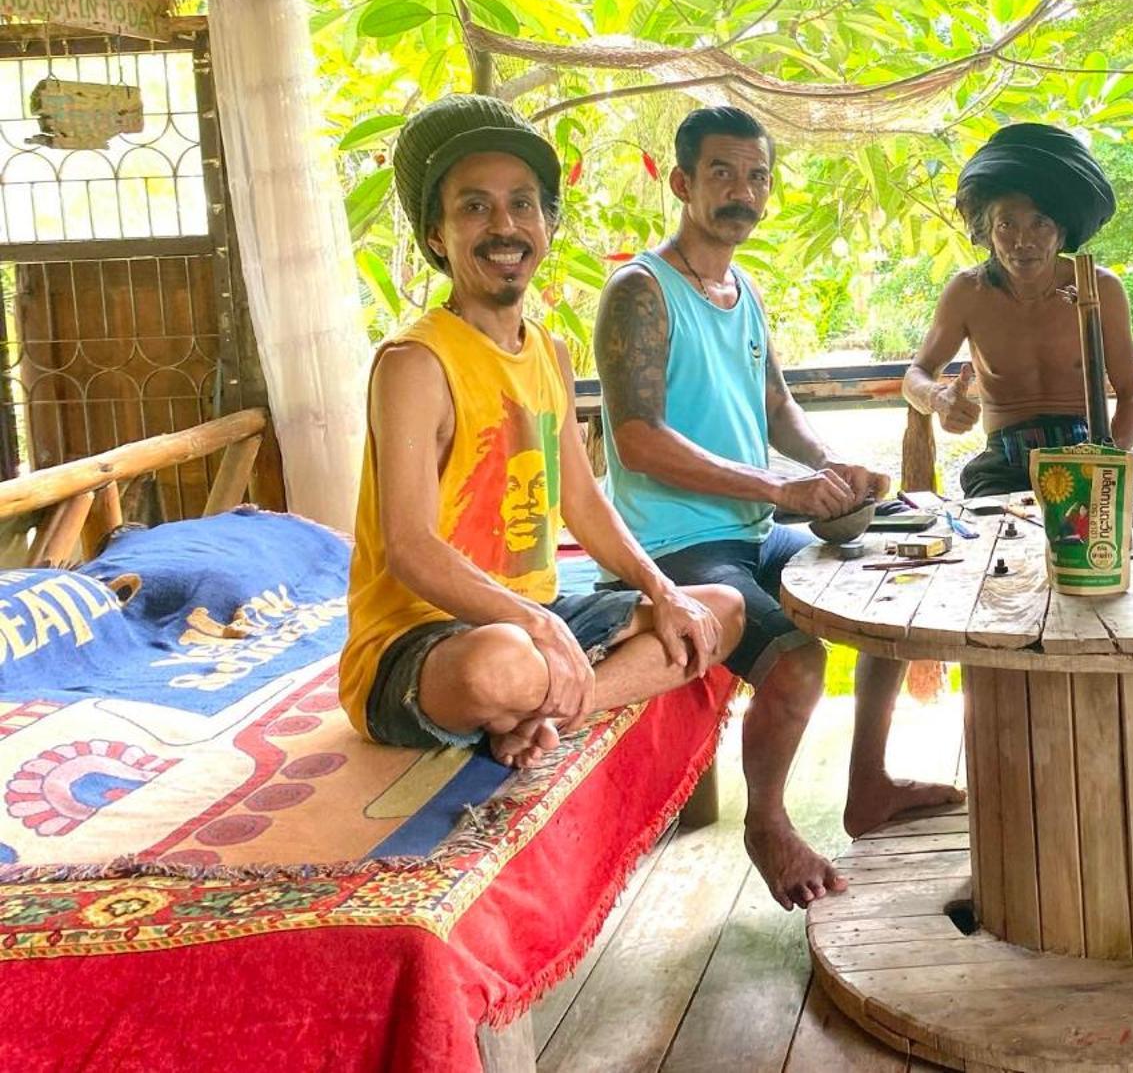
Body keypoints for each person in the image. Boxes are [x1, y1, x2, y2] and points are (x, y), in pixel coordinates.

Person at [596, 105, 961, 909]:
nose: (743, 192)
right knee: (797, 661)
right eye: (722, 174)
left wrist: (830, 465)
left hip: (750, 531)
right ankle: (768, 824)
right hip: (677, 548)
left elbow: (775, 408)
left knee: (891, 590)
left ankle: (868, 786)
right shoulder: (642, 292)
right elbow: (636, 439)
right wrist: (776, 488)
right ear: (683, 182)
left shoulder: (741, 288)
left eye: (757, 176)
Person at [339, 94, 744, 775]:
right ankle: (533, 697)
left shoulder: (550, 353)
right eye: (474, 207)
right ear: (437, 235)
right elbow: (408, 548)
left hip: (535, 617)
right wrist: (537, 626)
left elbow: (582, 505)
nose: (505, 226)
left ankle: (551, 714)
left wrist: (661, 591)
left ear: (546, 225)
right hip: (424, 640)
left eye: (523, 204)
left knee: (719, 612)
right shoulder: (415, 363)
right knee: (499, 667)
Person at [902, 124, 1133, 496]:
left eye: (1040, 224)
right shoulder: (968, 292)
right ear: (987, 230)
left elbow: (1132, 393)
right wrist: (938, 398)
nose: (1022, 241)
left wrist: (1108, 459)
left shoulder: (1099, 288)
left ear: (1061, 230)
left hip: (1088, 449)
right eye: (1006, 225)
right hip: (1005, 463)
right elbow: (916, 374)